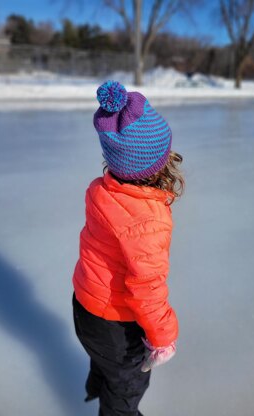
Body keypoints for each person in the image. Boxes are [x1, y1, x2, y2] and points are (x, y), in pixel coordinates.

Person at [72, 80, 184, 416]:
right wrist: (164, 336)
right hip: (115, 325)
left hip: (84, 306)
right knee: (126, 387)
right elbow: (146, 288)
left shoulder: (102, 191)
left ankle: (95, 385)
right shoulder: (147, 221)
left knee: (104, 362)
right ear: (156, 166)